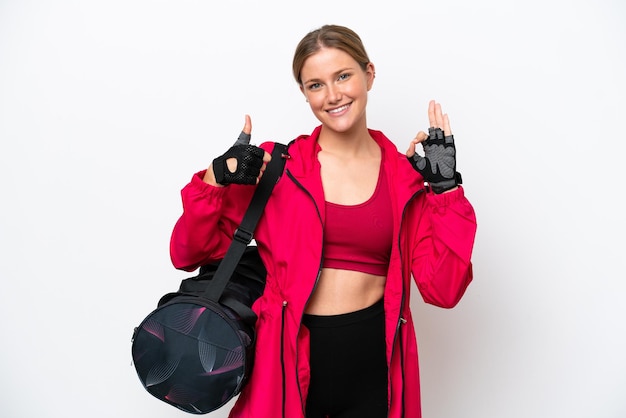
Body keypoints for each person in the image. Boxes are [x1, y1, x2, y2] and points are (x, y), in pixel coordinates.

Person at [170, 24, 477, 418]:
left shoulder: (405, 179)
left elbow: (443, 290)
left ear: (369, 74)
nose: (332, 96)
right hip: (285, 364)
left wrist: (446, 190)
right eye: (315, 85)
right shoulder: (277, 168)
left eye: (343, 76)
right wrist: (215, 177)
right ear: (304, 93)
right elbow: (187, 252)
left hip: (374, 365)